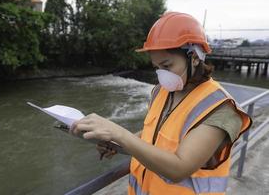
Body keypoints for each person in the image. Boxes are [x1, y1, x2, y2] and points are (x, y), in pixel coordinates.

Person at [70, 12, 252, 195]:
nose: (162, 74)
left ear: (195, 58)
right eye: (157, 68)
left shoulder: (220, 108)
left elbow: (179, 168)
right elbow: (152, 134)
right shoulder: (161, 91)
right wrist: (115, 142)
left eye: (167, 66)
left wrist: (120, 133)